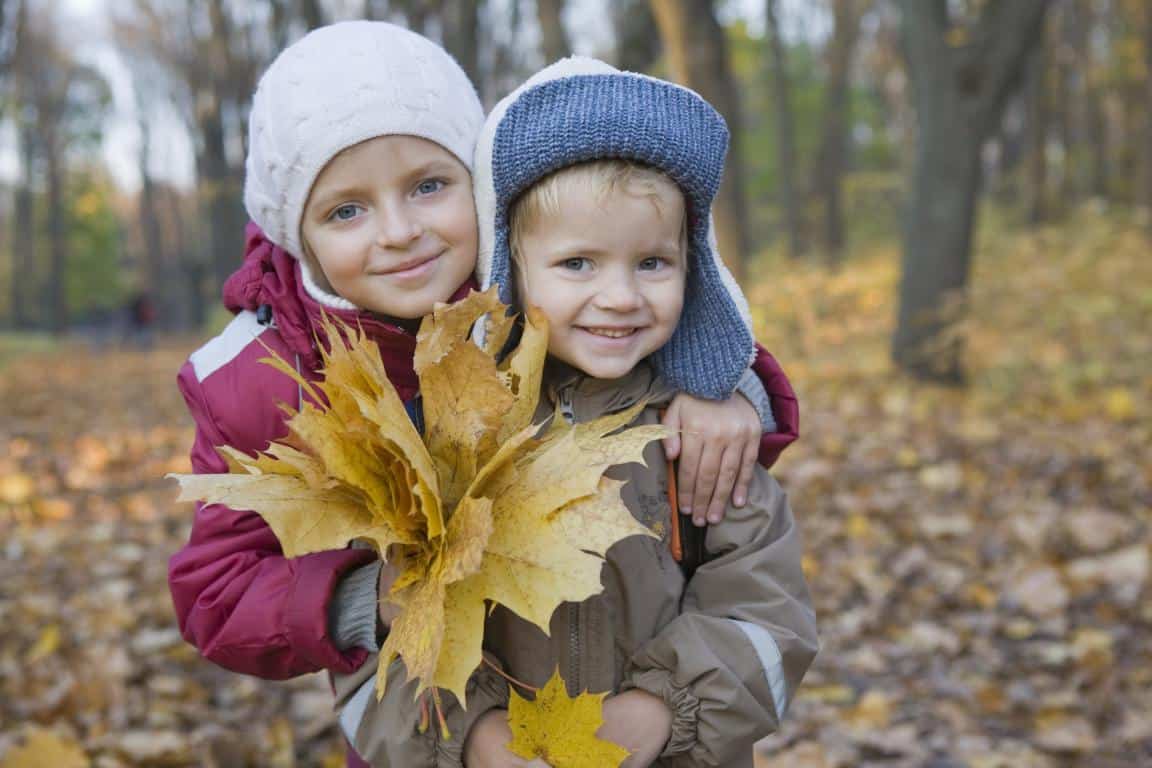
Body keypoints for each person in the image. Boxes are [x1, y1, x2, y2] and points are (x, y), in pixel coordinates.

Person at [168, 23, 799, 768]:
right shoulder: (262, 379)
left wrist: (730, 391)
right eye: (346, 210)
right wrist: (374, 607)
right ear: (297, 233)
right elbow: (226, 593)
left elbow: (660, 293)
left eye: (429, 186)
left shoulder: (553, 316)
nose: (400, 232)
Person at [335, 57, 818, 768]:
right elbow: (378, 636)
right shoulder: (447, 436)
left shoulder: (700, 437)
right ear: (513, 271)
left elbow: (768, 612)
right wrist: (475, 739)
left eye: (651, 263)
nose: (620, 297)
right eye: (578, 264)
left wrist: (662, 710)